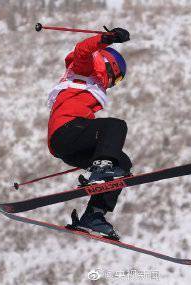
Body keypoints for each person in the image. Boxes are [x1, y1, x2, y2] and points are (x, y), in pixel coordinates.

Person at [47, 27, 132, 239]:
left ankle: (94, 215)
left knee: (121, 163)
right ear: (110, 67)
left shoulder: (89, 84)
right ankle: (101, 169)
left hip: (71, 146)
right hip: (65, 131)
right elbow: (83, 50)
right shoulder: (83, 70)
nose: (113, 85)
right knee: (115, 126)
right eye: (118, 79)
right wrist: (108, 38)